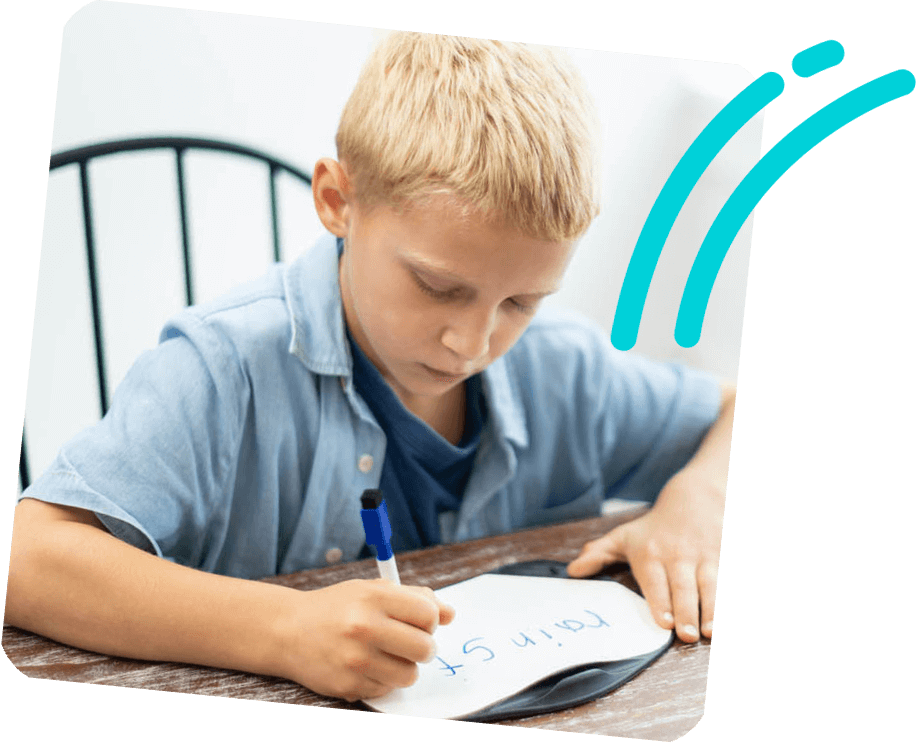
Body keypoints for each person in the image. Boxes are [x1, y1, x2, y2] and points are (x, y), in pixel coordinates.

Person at [8, 33, 735, 703]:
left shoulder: (564, 370)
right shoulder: (224, 369)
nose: (471, 342)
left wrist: (697, 500)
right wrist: (283, 630)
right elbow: (28, 556)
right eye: (438, 287)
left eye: (520, 301)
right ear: (337, 202)